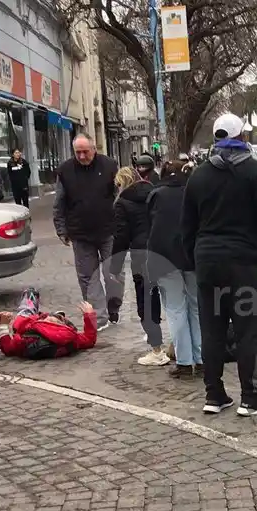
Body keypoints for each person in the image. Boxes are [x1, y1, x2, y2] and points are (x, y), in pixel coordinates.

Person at [182, 113, 257, 416]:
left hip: (208, 264)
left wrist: (194, 259)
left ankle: (214, 395)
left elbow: (186, 224)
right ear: (242, 137)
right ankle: (250, 396)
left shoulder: (199, 175)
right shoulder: (253, 171)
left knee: (212, 328)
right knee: (249, 329)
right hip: (243, 263)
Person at [53, 133, 120, 330]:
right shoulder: (65, 171)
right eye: (77, 152)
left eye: (85, 152)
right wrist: (61, 229)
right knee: (88, 277)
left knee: (113, 274)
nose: (81, 156)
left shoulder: (109, 166)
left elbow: (120, 196)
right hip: (80, 233)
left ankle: (113, 307)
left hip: (109, 231)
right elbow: (59, 203)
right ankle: (98, 317)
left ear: (94, 149)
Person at [149, 160, 202, 378]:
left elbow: (151, 228)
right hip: (193, 256)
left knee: (175, 310)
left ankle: (183, 362)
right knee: (197, 308)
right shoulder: (195, 192)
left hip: (164, 258)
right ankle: (201, 360)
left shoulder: (157, 195)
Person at [109, 166, 164, 360]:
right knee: (172, 303)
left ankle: (156, 349)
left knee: (146, 301)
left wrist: (114, 268)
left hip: (141, 256)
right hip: (162, 251)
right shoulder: (154, 193)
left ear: (121, 183)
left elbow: (121, 237)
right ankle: (181, 347)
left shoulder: (122, 203)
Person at [0, 288, 97, 358]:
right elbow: (89, 339)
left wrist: (4, 325)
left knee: (29, 303)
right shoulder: (72, 339)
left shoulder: (29, 338)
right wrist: (89, 315)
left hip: (25, 320)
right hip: (35, 329)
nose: (48, 317)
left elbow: (7, 348)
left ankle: (31, 294)